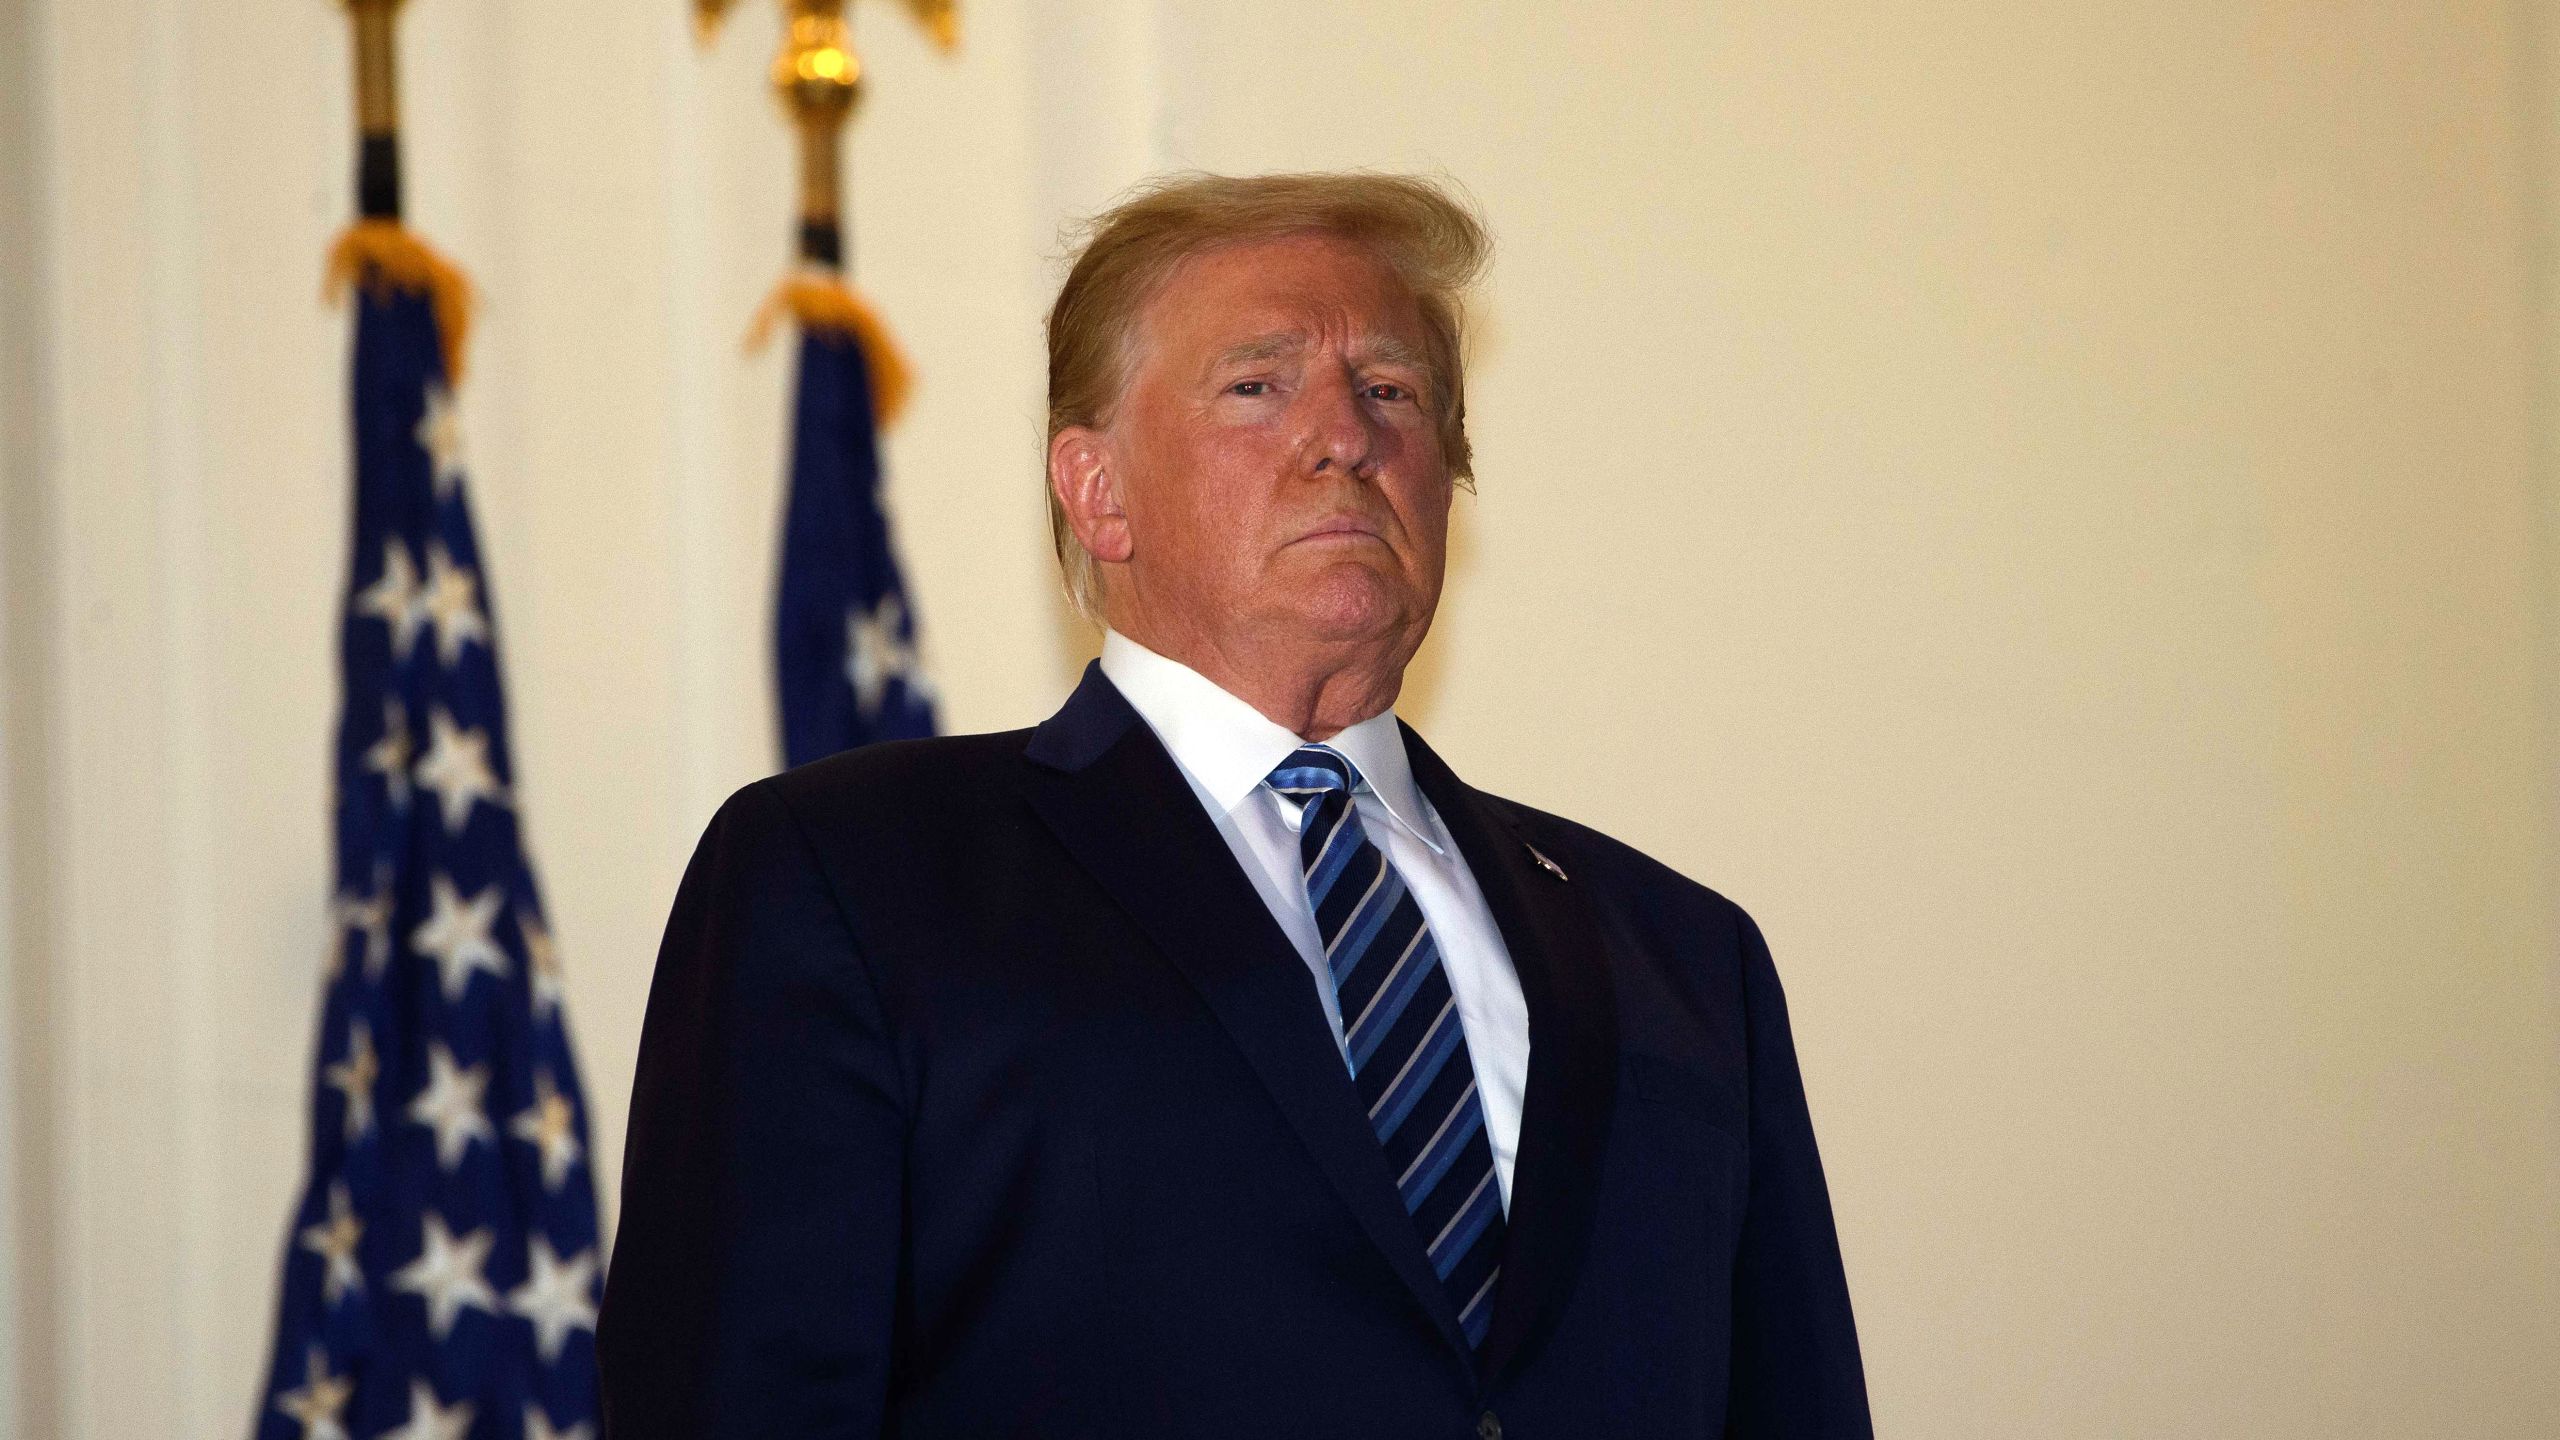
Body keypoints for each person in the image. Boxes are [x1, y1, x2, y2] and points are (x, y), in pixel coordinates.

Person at [596, 171, 1872, 1438]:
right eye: (1258, 387)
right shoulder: (854, 876)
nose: (1345, 437)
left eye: (1391, 392)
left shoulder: (1682, 954)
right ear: (1097, 493)